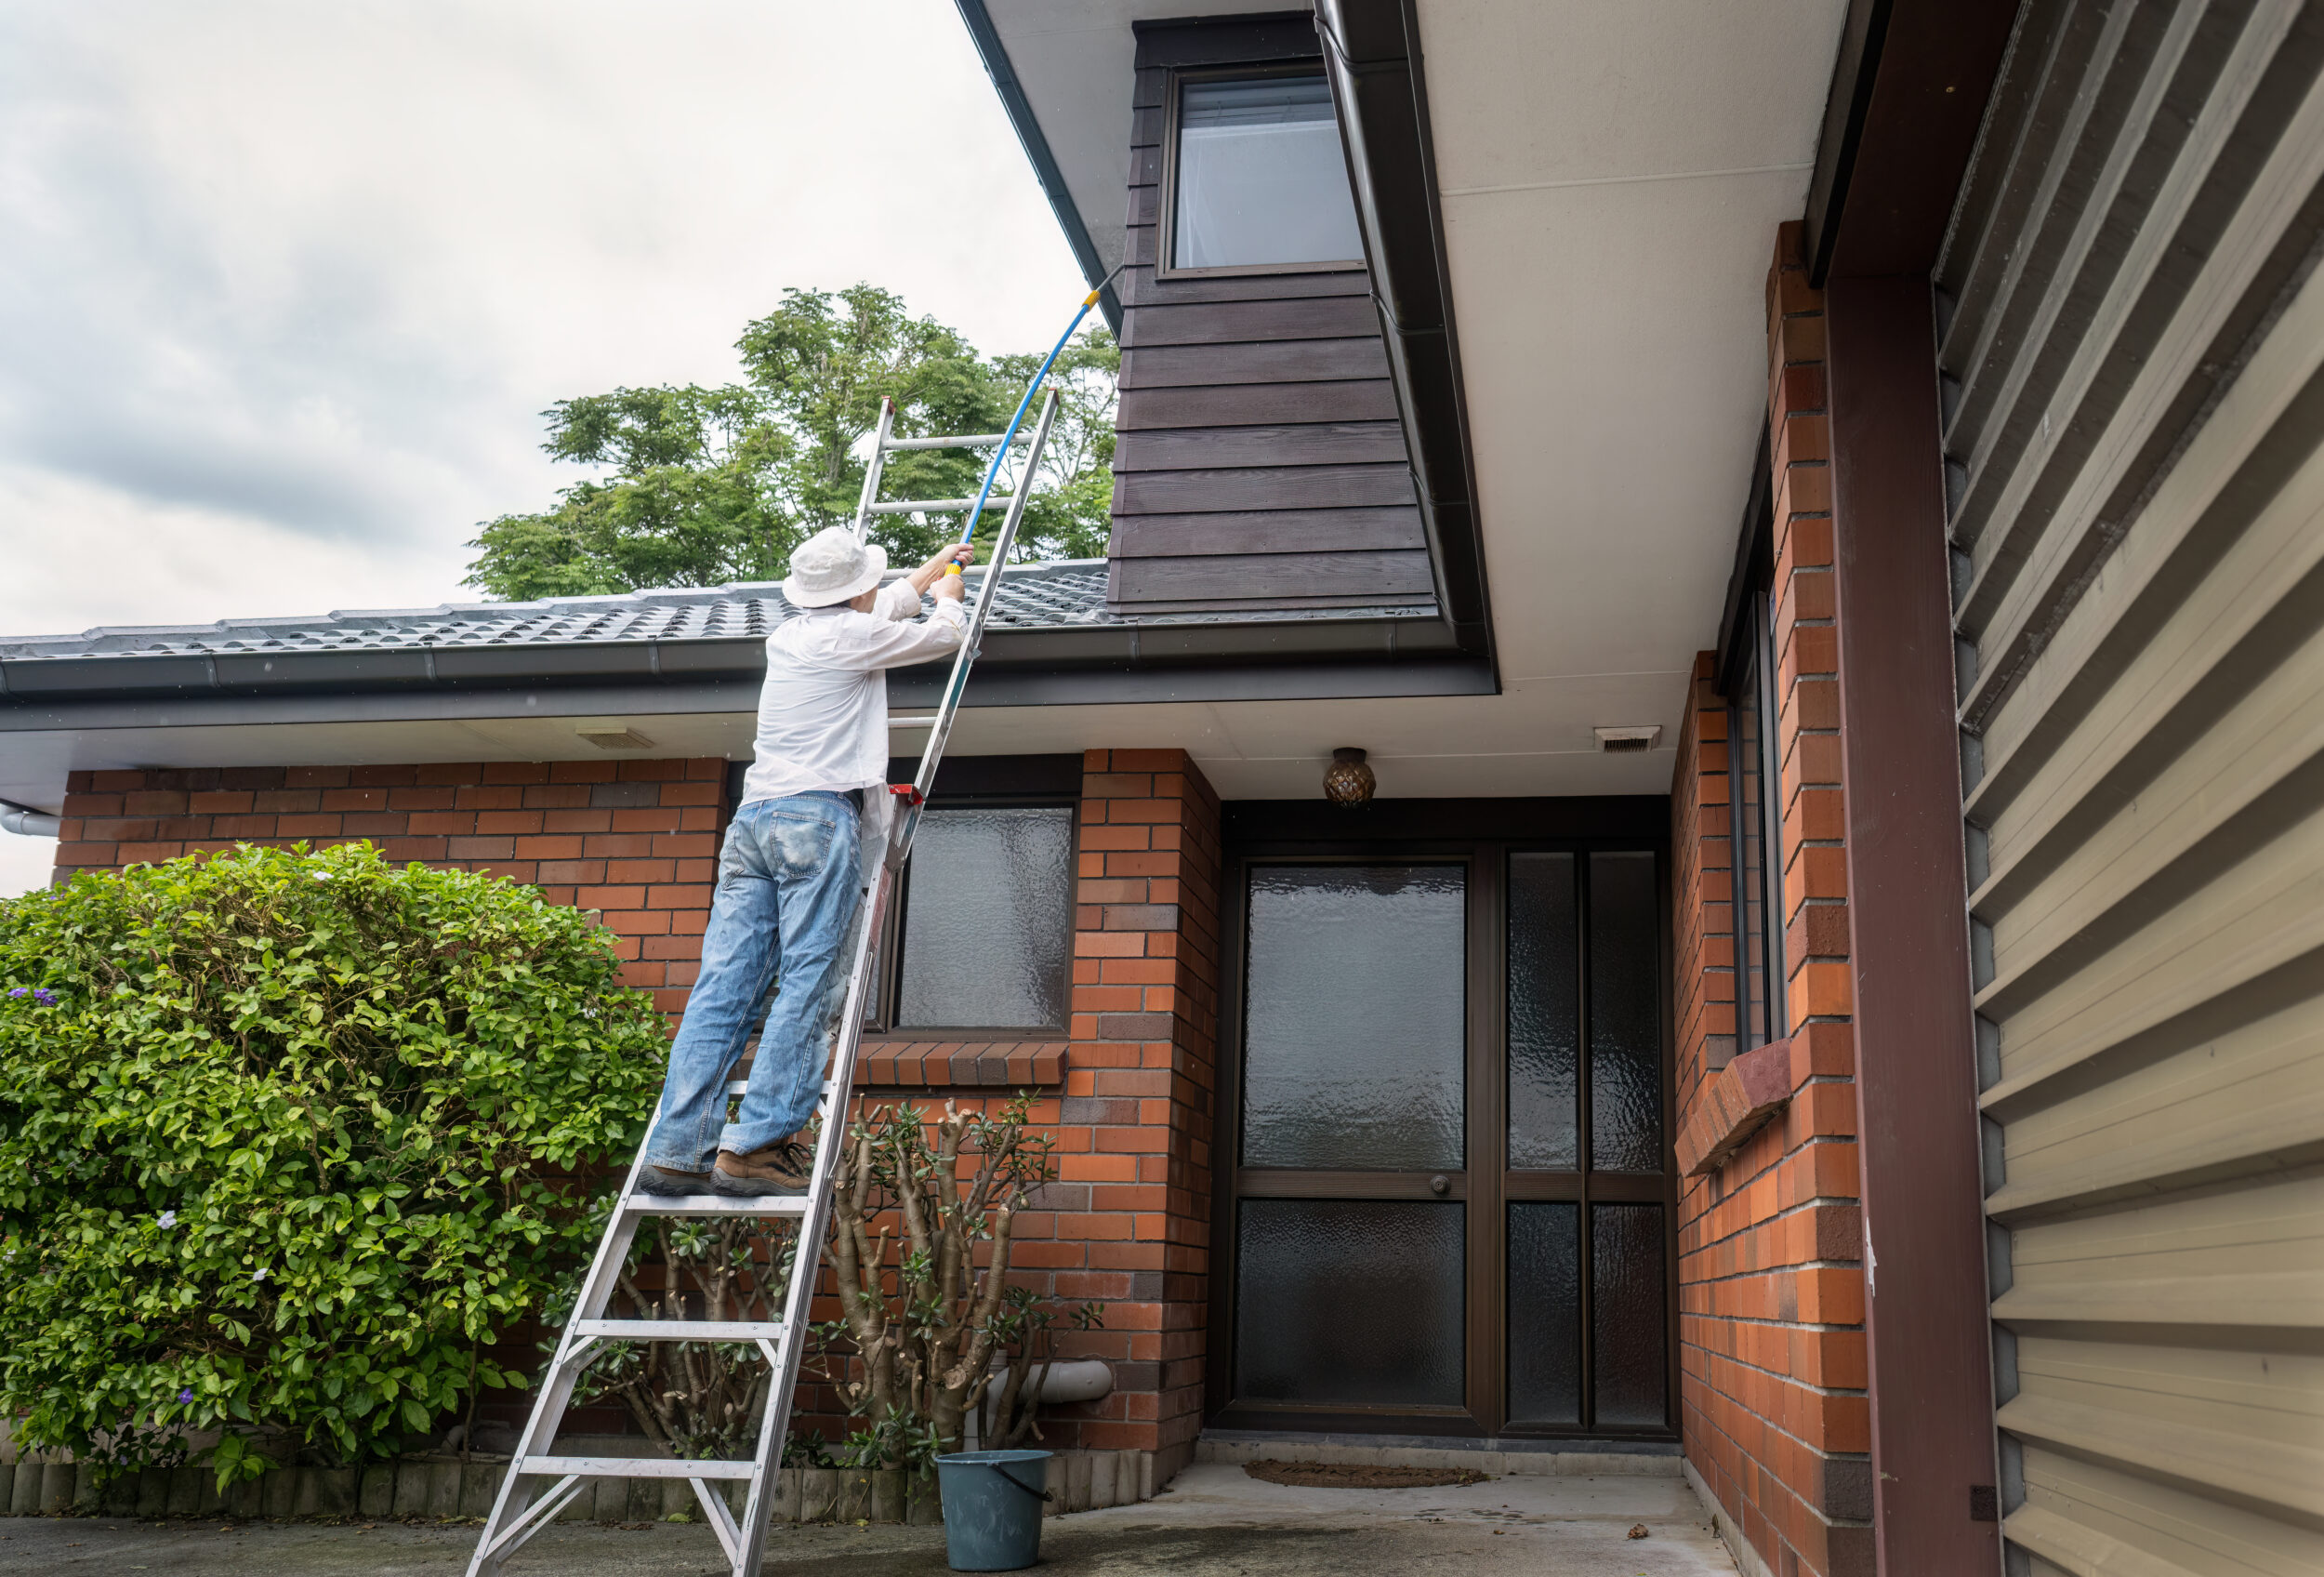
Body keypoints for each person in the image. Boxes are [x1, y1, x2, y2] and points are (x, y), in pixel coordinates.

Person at [638, 525, 975, 1197]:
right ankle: (757, 1145)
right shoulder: (851, 636)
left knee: (724, 987)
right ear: (857, 590)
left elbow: (883, 608)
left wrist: (934, 565)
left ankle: (678, 1150)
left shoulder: (791, 635)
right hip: (815, 819)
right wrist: (954, 595)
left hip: (755, 820)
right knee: (809, 980)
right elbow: (944, 636)